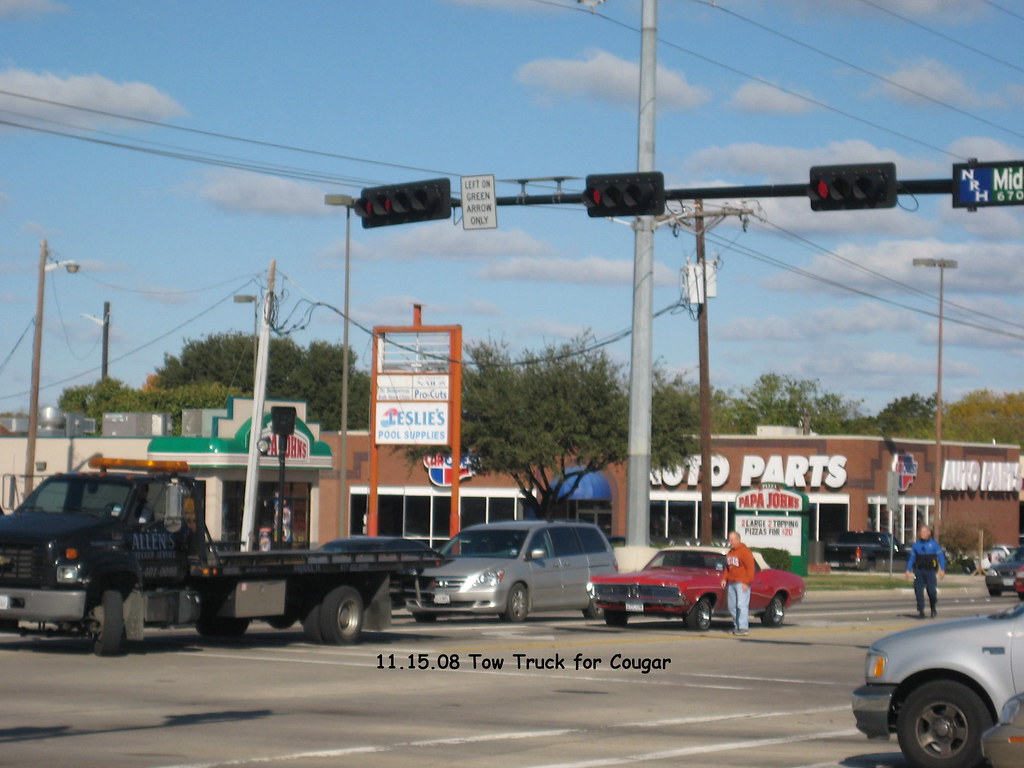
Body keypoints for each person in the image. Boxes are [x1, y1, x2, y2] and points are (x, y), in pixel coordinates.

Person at [905, 524, 946, 618]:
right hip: (919, 571)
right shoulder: (916, 546)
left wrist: (942, 569)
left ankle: (933, 607)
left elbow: (941, 557)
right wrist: (908, 570)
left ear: (928, 533)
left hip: (930, 572)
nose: (922, 534)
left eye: (924, 532)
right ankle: (921, 610)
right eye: (921, 532)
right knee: (918, 590)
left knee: (931, 591)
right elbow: (911, 558)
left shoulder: (934, 545)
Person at [721, 530, 756, 636]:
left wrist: (746, 582)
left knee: (741, 605)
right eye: (729, 540)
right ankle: (737, 626)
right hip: (731, 583)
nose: (730, 542)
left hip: (741, 583)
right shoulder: (730, 553)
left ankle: (743, 628)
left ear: (737, 540)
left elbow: (751, 568)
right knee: (732, 606)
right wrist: (724, 579)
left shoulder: (745, 552)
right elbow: (727, 568)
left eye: (732, 540)